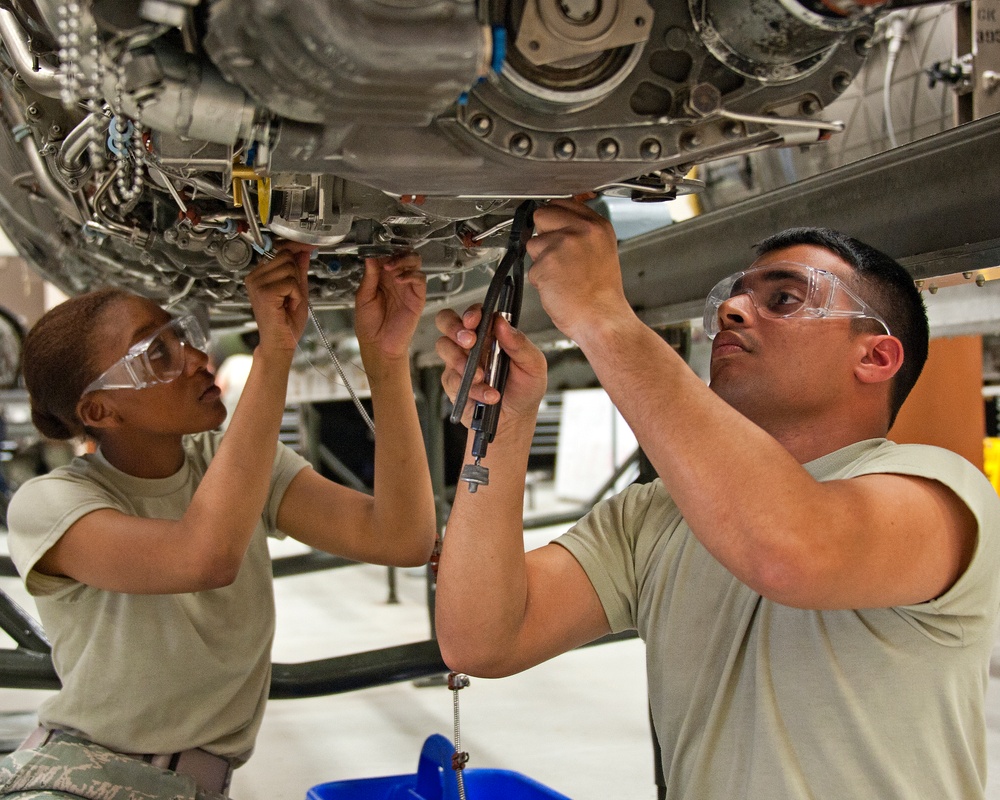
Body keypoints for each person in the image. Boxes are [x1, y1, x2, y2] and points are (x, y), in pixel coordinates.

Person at [433, 199, 1000, 799]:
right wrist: (501, 429)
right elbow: (482, 640)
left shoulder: (938, 493)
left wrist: (605, 319)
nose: (730, 309)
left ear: (875, 356)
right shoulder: (652, 515)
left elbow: (791, 550)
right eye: (733, 297)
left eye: (783, 299)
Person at [0, 244, 436, 799]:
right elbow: (204, 556)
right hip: (80, 782)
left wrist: (386, 361)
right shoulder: (51, 504)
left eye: (181, 336)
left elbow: (400, 537)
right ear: (100, 412)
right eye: (156, 355)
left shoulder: (237, 466)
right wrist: (272, 354)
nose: (195, 358)